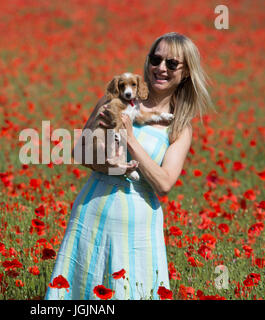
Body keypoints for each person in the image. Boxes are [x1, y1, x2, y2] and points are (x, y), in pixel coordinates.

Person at [45, 32, 213, 300]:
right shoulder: (115, 99)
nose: (160, 68)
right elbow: (80, 151)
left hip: (137, 230)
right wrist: (110, 165)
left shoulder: (179, 127)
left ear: (186, 73)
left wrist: (130, 139)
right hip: (92, 213)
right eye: (155, 59)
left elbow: (164, 183)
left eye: (171, 64)